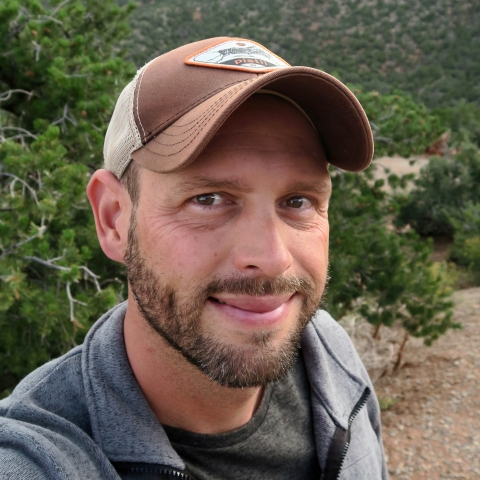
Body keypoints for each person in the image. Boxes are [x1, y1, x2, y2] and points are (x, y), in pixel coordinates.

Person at [0, 37, 387, 479]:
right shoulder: (37, 459)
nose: (272, 258)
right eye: (209, 198)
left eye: (297, 201)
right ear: (112, 219)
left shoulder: (328, 352)